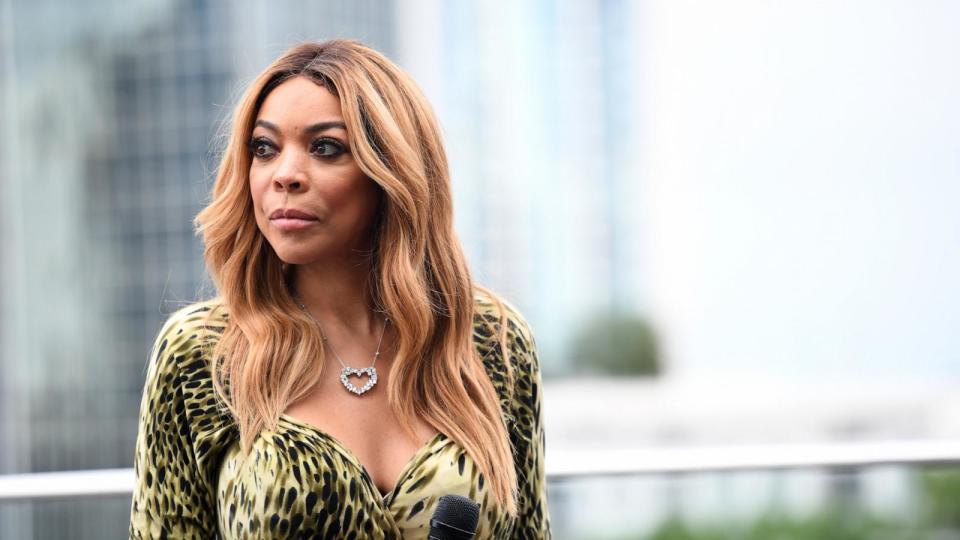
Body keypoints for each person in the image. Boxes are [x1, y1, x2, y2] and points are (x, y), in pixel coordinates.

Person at [128, 40, 551, 539]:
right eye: (264, 149)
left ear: (391, 173)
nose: (284, 174)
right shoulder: (204, 351)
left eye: (325, 148)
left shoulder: (491, 340)